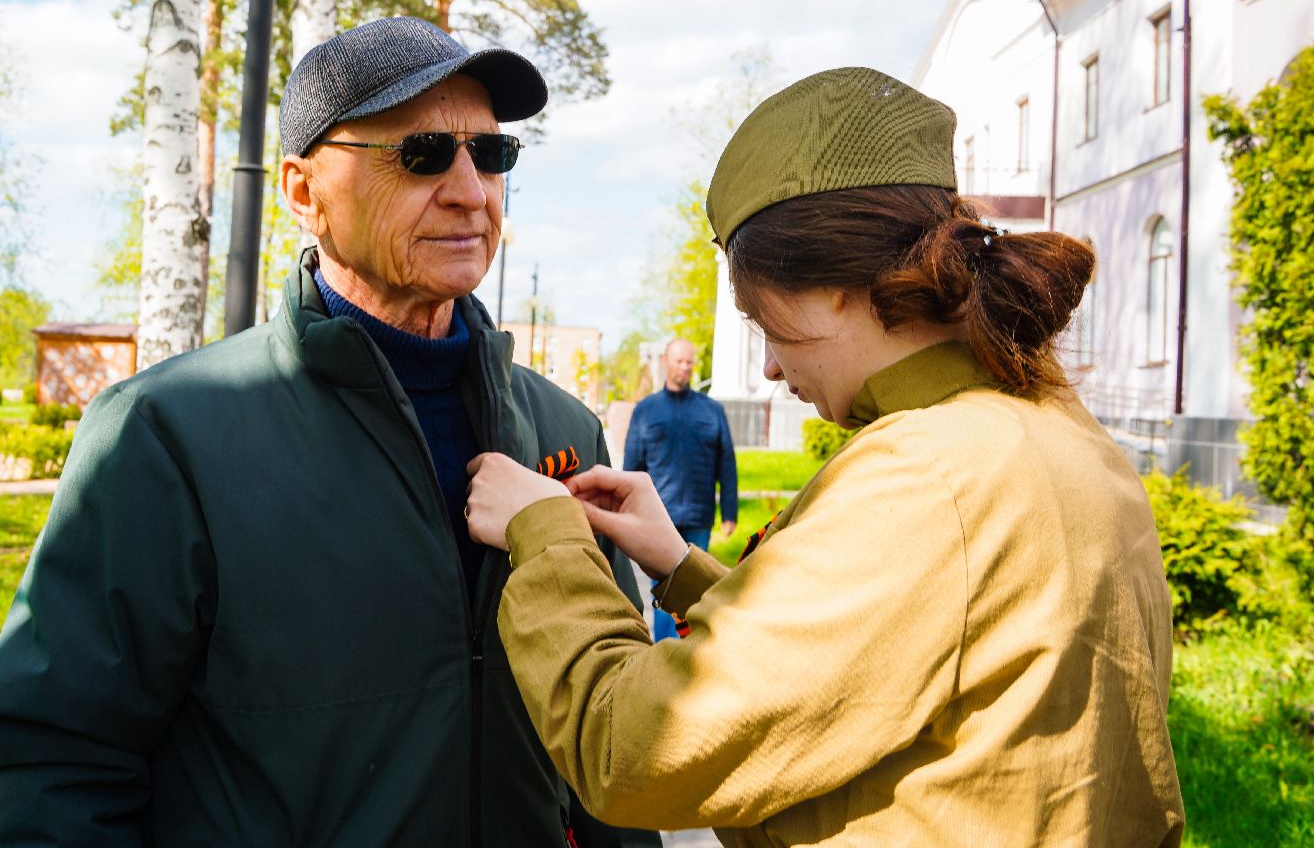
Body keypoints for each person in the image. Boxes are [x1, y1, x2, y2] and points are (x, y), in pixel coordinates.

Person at [0, 17, 657, 847]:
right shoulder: (165, 438)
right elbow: (56, 768)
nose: (471, 192)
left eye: (491, 154)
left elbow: (612, 739)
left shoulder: (564, 430)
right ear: (304, 194)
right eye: (423, 154)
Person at [465, 67, 1184, 845]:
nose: (772, 367)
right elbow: (880, 649)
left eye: (764, 320)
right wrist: (679, 565)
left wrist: (548, 537)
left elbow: (630, 748)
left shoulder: (926, 477)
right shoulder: (1048, 429)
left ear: (832, 288)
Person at [622, 338, 737, 639]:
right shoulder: (646, 411)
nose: (684, 367)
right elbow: (632, 466)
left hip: (699, 516)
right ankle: (665, 652)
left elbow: (726, 463)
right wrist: (626, 513)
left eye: (689, 362)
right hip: (659, 517)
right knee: (665, 588)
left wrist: (730, 512)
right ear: (665, 362)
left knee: (695, 589)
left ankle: (692, 651)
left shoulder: (711, 410)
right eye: (678, 361)